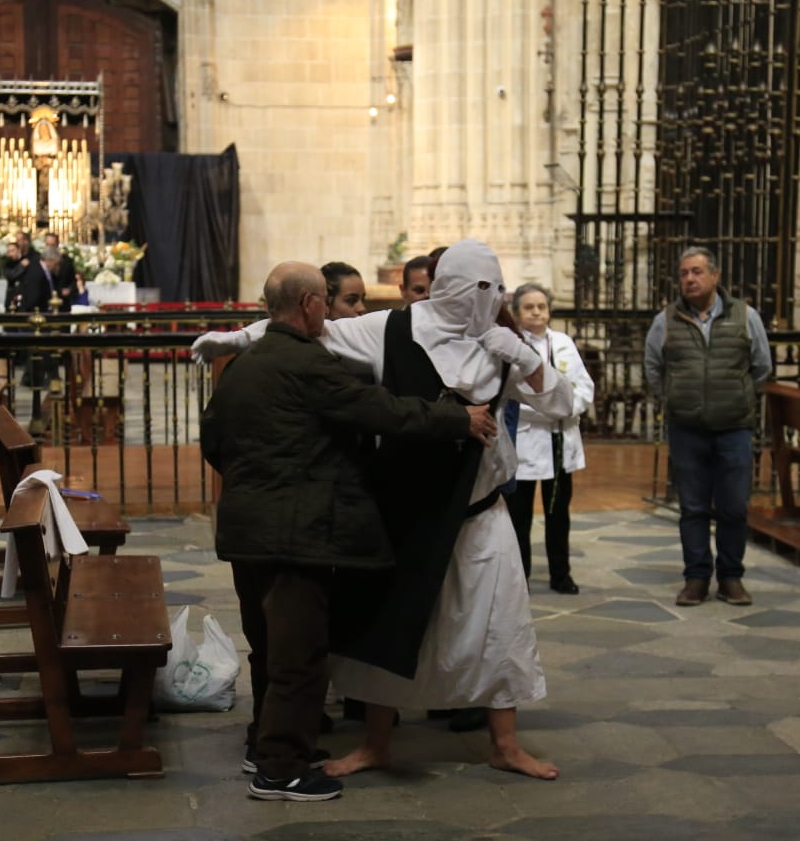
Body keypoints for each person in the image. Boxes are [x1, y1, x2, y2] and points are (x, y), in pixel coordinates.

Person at [194, 239, 573, 781]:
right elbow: (314, 332)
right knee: (391, 625)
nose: (488, 299)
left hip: (481, 513)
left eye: (496, 288)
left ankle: (505, 744)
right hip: (411, 507)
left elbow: (562, 406)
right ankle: (377, 744)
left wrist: (522, 354)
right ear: (452, 288)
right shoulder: (391, 329)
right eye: (478, 288)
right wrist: (237, 338)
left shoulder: (499, 344)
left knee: (499, 626)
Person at [643, 246, 773, 607]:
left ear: (715, 276)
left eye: (697, 272)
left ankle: (731, 577)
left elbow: (761, 366)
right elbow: (654, 367)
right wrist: (673, 397)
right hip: (687, 429)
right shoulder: (666, 320)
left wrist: (735, 396)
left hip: (734, 428)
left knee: (733, 507)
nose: (690, 279)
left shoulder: (745, 317)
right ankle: (697, 577)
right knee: (694, 508)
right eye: (684, 273)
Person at [503, 283, 595, 594]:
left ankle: (561, 573)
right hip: (526, 441)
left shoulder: (564, 342)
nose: (536, 312)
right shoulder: (512, 345)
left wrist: (568, 407)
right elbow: (512, 396)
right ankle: (521, 577)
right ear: (516, 313)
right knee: (520, 516)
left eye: (541, 306)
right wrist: (547, 408)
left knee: (559, 514)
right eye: (529, 307)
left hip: (558, 438)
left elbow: (584, 386)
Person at [41, 233, 79, 306]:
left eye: (53, 245)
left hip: (62, 301)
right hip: (44, 302)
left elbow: (73, 281)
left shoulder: (67, 261)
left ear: (57, 245)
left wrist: (69, 289)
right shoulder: (39, 261)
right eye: (48, 245)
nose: (50, 248)